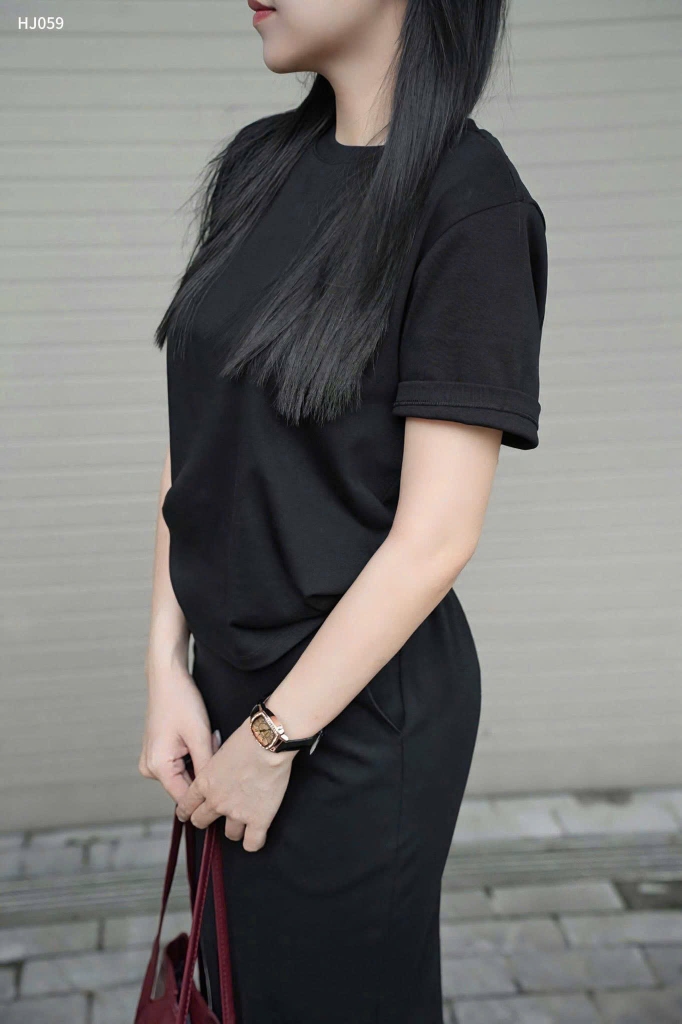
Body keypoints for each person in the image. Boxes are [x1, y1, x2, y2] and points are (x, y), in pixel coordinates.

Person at [138, 0, 548, 1020]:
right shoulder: (256, 166)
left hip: (355, 722)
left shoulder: (470, 203)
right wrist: (164, 666)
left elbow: (436, 536)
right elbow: (197, 445)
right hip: (231, 692)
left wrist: (272, 740)